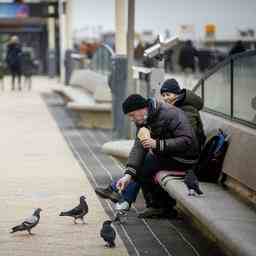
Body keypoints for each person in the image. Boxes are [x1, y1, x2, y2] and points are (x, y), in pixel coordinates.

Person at [96, 94, 199, 218]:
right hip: (167, 154)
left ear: (142, 109)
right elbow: (139, 147)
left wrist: (157, 144)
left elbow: (187, 141)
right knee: (144, 161)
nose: (132, 119)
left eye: (132, 115)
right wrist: (128, 175)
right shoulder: (145, 119)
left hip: (185, 157)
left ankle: (153, 205)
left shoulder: (170, 114)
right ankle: (157, 206)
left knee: (146, 164)